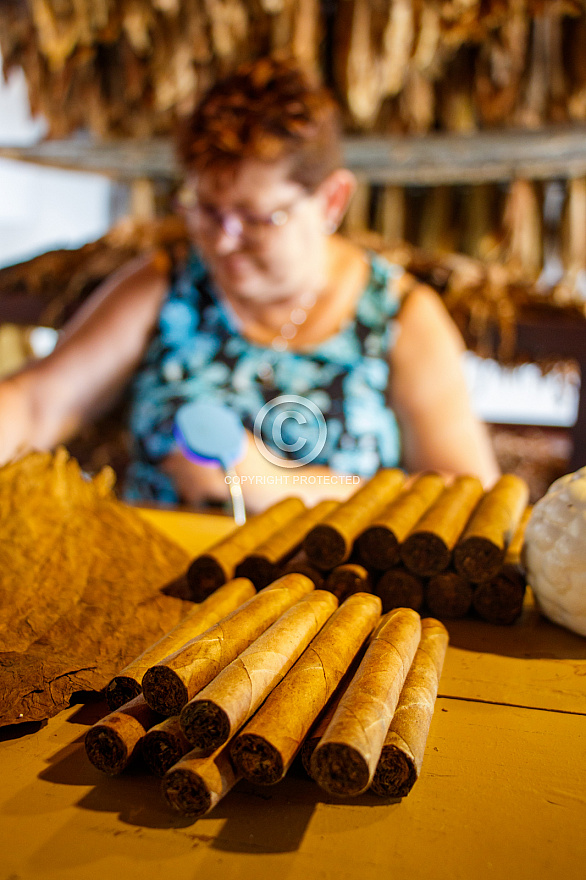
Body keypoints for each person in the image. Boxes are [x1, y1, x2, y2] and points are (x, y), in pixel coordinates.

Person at [0, 56, 499, 512]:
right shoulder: (166, 284)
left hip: (335, 601)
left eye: (257, 219)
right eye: (207, 210)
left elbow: (468, 494)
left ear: (331, 200)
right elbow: (39, 402)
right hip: (159, 576)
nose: (222, 241)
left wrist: (280, 483)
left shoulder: (399, 314)